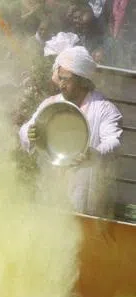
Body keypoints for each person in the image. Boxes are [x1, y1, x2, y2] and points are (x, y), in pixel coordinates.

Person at [19, 44, 122, 216]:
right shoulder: (50, 104)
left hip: (85, 202)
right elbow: (25, 130)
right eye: (60, 78)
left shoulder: (104, 109)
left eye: (66, 79)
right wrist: (30, 133)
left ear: (82, 81)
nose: (61, 84)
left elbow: (114, 141)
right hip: (49, 197)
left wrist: (94, 153)